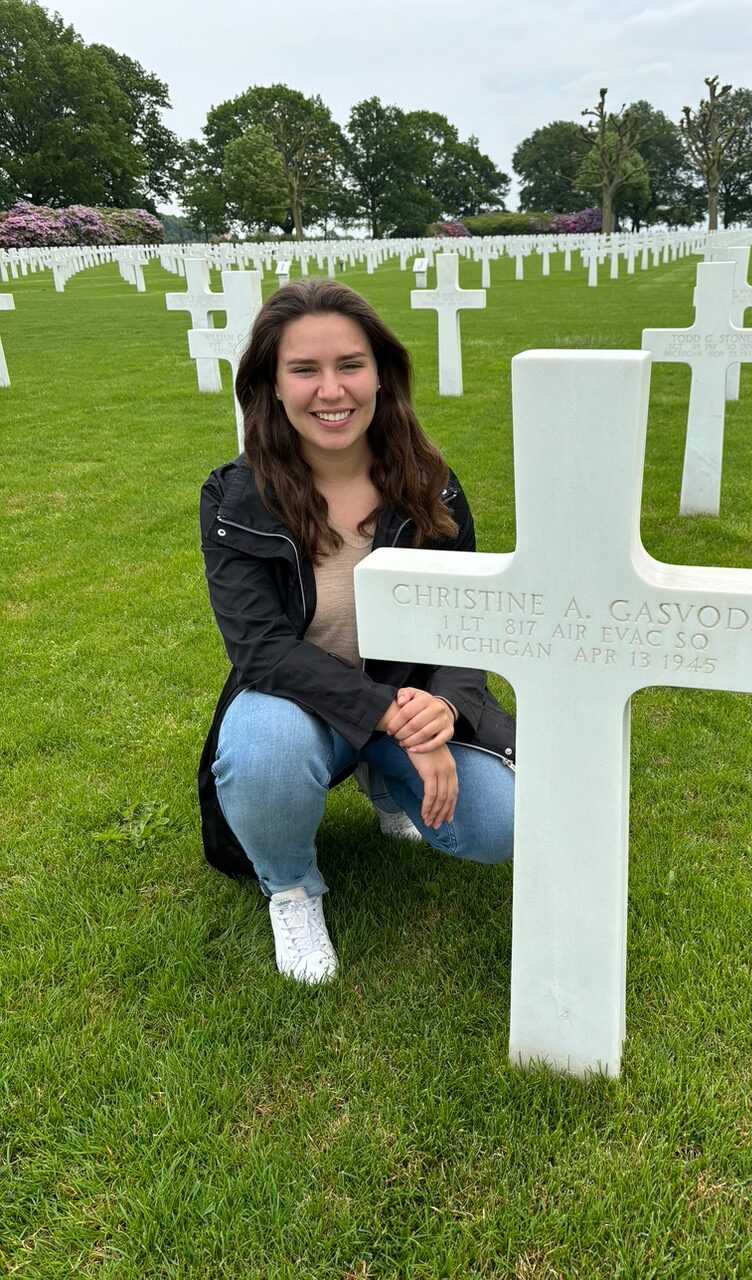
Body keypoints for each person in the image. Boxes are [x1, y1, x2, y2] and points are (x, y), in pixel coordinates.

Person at [197, 278, 515, 985]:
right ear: (271, 385)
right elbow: (261, 650)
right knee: (261, 754)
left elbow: (464, 624)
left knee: (498, 825)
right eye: (303, 369)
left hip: (405, 698)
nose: (331, 390)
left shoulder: (432, 483)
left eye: (349, 364)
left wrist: (449, 706)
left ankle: (380, 776)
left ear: (382, 374)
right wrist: (392, 717)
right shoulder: (235, 497)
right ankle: (292, 885)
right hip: (296, 702)